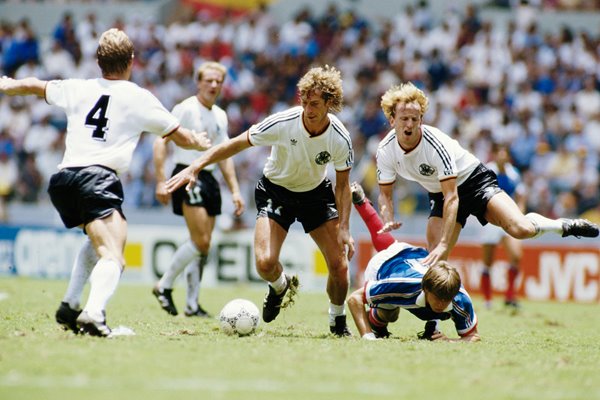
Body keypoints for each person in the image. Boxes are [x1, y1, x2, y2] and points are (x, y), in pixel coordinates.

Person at [0, 28, 211, 337]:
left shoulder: (78, 87)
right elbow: (181, 136)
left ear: (98, 61)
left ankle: (70, 304)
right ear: (131, 61)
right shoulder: (138, 97)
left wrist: (9, 84)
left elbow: (35, 86)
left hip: (64, 180)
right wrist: (199, 140)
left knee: (98, 239)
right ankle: (94, 314)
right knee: (114, 254)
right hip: (97, 179)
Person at [165, 65, 356, 336]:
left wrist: (345, 226)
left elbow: (343, 185)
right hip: (276, 190)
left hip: (315, 194)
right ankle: (279, 286)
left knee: (339, 265)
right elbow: (236, 143)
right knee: (265, 263)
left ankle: (337, 321)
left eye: (314, 103)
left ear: (330, 103)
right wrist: (196, 165)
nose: (308, 109)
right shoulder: (283, 122)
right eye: (304, 102)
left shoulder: (340, 137)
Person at [376, 82, 599, 268]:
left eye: (415, 119)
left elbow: (453, 196)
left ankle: (564, 226)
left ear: (421, 120)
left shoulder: (435, 144)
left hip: (474, 183)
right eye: (404, 118)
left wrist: (446, 242)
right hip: (440, 193)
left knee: (521, 230)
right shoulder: (385, 150)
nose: (410, 124)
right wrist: (387, 217)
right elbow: (385, 194)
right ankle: (434, 321)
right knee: (434, 260)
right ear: (392, 119)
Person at [152, 61, 244, 317]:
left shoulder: (220, 116)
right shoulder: (185, 109)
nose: (214, 85)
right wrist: (161, 180)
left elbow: (224, 155)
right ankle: (164, 285)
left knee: (203, 244)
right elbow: (160, 142)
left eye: (218, 81)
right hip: (186, 172)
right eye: (209, 80)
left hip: (210, 178)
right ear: (198, 82)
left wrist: (235, 190)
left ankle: (192, 304)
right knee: (201, 241)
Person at [348, 182, 479, 342]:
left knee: (389, 244)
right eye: (438, 297)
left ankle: (362, 203)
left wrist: (450, 341)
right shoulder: (402, 284)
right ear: (425, 289)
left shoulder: (459, 297)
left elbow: (473, 337)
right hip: (385, 266)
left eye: (447, 299)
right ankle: (377, 321)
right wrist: (368, 337)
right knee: (390, 314)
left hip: (416, 257)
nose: (442, 303)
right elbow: (354, 298)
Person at [479, 143, 525, 310]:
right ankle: (487, 299)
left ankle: (510, 296)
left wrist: (520, 214)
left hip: (509, 220)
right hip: (490, 219)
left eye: (505, 154)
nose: (502, 156)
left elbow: (521, 196)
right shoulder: (487, 170)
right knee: (488, 261)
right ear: (495, 154)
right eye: (500, 153)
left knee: (516, 256)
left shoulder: (513, 173)